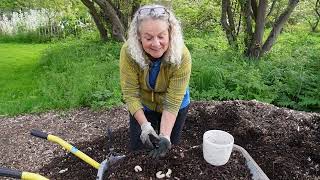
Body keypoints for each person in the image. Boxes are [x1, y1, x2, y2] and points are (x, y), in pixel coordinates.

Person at [119, 4, 191, 158]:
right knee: (140, 149)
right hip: (144, 105)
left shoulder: (182, 55)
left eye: (161, 36)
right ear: (139, 36)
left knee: (168, 149)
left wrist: (164, 136)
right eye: (148, 37)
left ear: (170, 33)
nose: (156, 44)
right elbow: (130, 94)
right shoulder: (129, 52)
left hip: (175, 105)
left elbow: (172, 102)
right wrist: (144, 125)